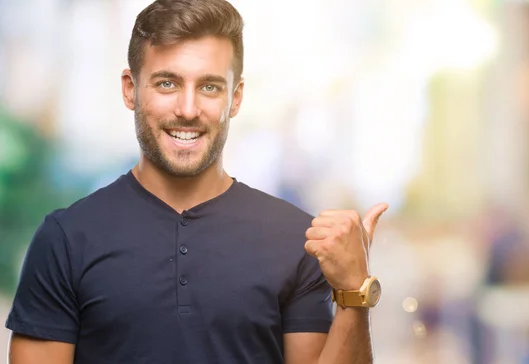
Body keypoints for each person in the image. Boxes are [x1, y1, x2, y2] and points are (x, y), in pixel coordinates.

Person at [5, 0, 388, 363]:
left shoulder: (297, 239)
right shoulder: (66, 240)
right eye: (167, 83)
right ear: (130, 89)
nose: (188, 110)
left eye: (209, 87)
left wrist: (354, 291)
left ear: (235, 98)